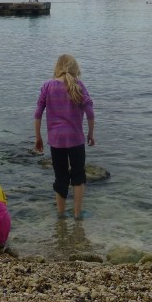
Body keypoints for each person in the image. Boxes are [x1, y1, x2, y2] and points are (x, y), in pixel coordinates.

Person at [34, 54, 95, 219]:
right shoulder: (78, 85)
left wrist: (38, 137)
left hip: (56, 140)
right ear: (75, 68)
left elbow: (38, 113)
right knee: (78, 175)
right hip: (75, 139)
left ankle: (60, 215)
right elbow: (90, 112)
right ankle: (77, 214)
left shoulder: (47, 86)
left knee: (60, 176)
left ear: (58, 67)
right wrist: (90, 133)